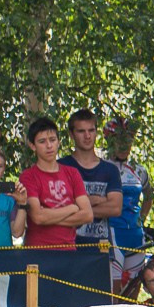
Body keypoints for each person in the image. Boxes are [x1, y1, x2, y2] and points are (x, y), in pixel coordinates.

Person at [17, 118, 92, 250]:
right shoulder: (28, 176)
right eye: (42, 141)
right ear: (32, 145)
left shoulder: (72, 173)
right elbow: (38, 217)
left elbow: (87, 215)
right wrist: (72, 209)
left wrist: (49, 217)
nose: (49, 146)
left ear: (58, 142)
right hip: (38, 252)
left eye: (52, 140)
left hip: (69, 251)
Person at [62, 109, 122, 262]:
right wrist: (99, 200)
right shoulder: (61, 167)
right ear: (71, 134)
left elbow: (115, 208)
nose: (87, 136)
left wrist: (80, 207)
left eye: (91, 130)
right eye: (81, 131)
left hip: (100, 248)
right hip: (68, 247)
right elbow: (59, 207)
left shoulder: (110, 170)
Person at [104, 119, 149, 291]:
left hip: (136, 236)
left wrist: (141, 220)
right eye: (119, 140)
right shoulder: (102, 168)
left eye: (128, 140)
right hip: (113, 234)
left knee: (133, 289)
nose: (124, 146)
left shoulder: (139, 170)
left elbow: (149, 197)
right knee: (114, 294)